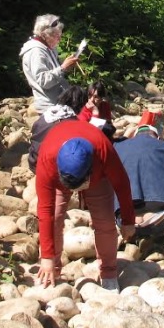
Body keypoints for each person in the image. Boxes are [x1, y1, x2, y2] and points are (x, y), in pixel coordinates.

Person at [34, 119, 136, 291]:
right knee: (55, 218)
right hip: (60, 173)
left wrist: (128, 221)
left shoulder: (103, 150)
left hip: (97, 178)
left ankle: (109, 273)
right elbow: (45, 211)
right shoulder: (47, 159)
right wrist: (46, 257)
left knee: (105, 222)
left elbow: (122, 184)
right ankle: (53, 271)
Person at [20, 14, 79, 112]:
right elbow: (44, 81)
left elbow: (54, 70)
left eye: (60, 35)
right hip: (50, 107)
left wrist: (67, 64)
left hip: (60, 102)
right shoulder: (36, 52)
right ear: (44, 35)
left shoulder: (48, 47)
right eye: (57, 36)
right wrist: (63, 67)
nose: (59, 39)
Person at [27, 85, 88, 172]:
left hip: (33, 160)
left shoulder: (48, 113)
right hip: (46, 167)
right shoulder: (70, 122)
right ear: (81, 104)